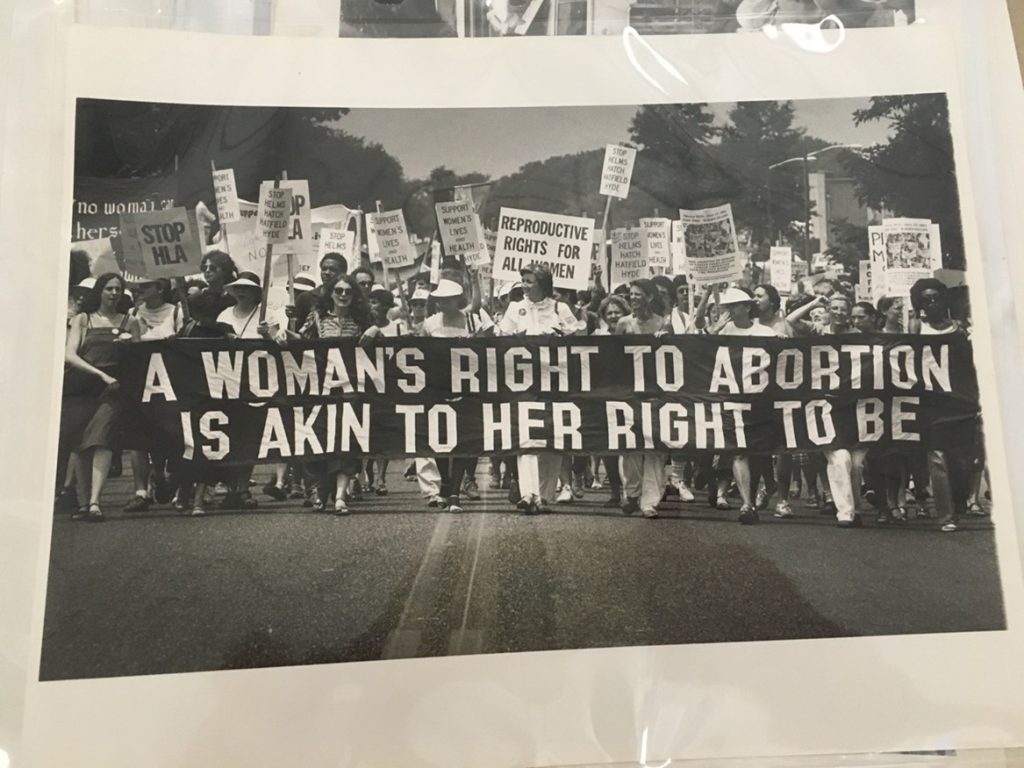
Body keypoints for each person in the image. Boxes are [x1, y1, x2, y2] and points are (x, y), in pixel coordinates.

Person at [497, 264, 585, 514]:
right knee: (526, 436)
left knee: (551, 437)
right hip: (524, 381)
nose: (524, 285)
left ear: (543, 284)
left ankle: (544, 495)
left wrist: (562, 337)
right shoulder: (516, 308)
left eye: (529, 281)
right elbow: (501, 337)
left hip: (555, 381)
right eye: (522, 281)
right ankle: (528, 493)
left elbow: (579, 333)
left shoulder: (560, 307)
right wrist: (517, 338)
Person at [288, 273, 373, 514]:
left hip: (351, 390)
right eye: (339, 291)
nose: (344, 295)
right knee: (322, 439)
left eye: (348, 291)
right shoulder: (317, 317)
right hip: (322, 389)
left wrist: (375, 330)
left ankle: (340, 496)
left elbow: (382, 347)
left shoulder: (362, 319)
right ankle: (321, 491)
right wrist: (275, 333)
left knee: (346, 441)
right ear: (331, 293)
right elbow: (301, 339)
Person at [62, 273, 141, 521]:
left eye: (118, 289)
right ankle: (84, 504)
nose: (114, 294)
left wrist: (129, 348)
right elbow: (70, 355)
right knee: (81, 444)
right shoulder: (83, 320)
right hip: (84, 388)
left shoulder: (131, 321)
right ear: (100, 291)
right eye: (109, 289)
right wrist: (99, 375)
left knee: (102, 439)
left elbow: (141, 360)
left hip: (115, 389)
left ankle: (95, 501)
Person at [698, 286, 779, 525]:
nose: (730, 311)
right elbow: (700, 348)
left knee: (755, 454)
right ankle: (747, 504)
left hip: (757, 402)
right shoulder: (723, 330)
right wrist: (715, 329)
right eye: (727, 306)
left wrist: (782, 343)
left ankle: (758, 492)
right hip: (730, 401)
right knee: (738, 451)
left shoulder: (764, 332)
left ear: (746, 307)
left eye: (735, 306)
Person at [418, 279, 493, 512]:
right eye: (440, 300)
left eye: (448, 299)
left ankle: (454, 494)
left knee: (463, 441)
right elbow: (419, 352)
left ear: (457, 300)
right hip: (438, 389)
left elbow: (489, 344)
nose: (443, 304)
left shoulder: (472, 320)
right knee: (441, 440)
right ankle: (446, 483)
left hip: (467, 389)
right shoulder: (430, 324)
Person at [910, 278, 975, 533]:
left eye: (935, 297)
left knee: (962, 462)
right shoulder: (916, 328)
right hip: (930, 404)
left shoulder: (960, 330)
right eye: (925, 299)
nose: (932, 303)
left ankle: (958, 504)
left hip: (960, 403)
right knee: (936, 457)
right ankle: (945, 514)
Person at [615, 279, 669, 519]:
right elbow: (612, 356)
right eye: (631, 295)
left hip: (656, 393)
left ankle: (650, 501)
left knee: (655, 447)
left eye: (638, 294)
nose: (633, 298)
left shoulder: (663, 323)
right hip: (630, 392)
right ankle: (632, 492)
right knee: (630, 445)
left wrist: (664, 340)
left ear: (649, 297)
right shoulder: (623, 324)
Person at [289, 252, 347, 328]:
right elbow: (294, 331)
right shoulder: (305, 298)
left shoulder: (348, 298)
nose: (327, 273)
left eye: (332, 270)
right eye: (324, 269)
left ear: (343, 273)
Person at [199, 250, 238, 317]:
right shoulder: (199, 298)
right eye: (204, 268)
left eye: (212, 267)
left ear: (224, 269)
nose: (207, 270)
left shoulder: (235, 296)